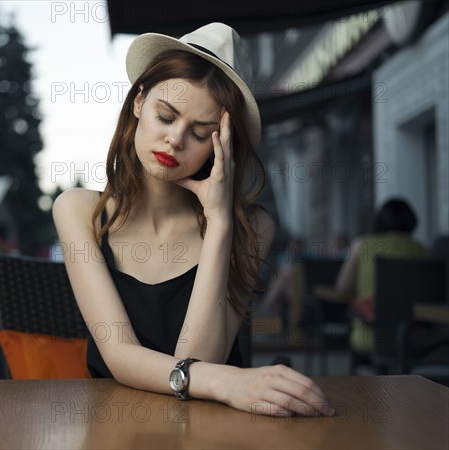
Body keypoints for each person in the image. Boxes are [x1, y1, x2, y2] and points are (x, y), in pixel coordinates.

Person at [53, 23, 334, 417]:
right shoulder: (78, 210)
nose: (175, 139)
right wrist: (228, 380)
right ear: (138, 102)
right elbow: (119, 355)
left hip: (216, 425)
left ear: (224, 146)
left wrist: (219, 223)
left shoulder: (254, 227)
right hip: (117, 423)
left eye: (201, 133)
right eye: (165, 116)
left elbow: (199, 358)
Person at [324, 198, 428, 371]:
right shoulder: (423, 251)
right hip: (414, 337)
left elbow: (342, 287)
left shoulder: (362, 246)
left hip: (372, 335)